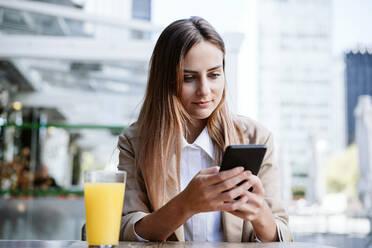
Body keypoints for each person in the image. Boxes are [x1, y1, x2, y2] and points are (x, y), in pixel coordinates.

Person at [117, 16, 293, 242]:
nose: (205, 90)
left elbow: (283, 235)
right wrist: (185, 205)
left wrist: (260, 216)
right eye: (188, 78)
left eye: (214, 75)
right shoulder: (135, 141)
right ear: (166, 80)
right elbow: (124, 231)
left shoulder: (256, 137)